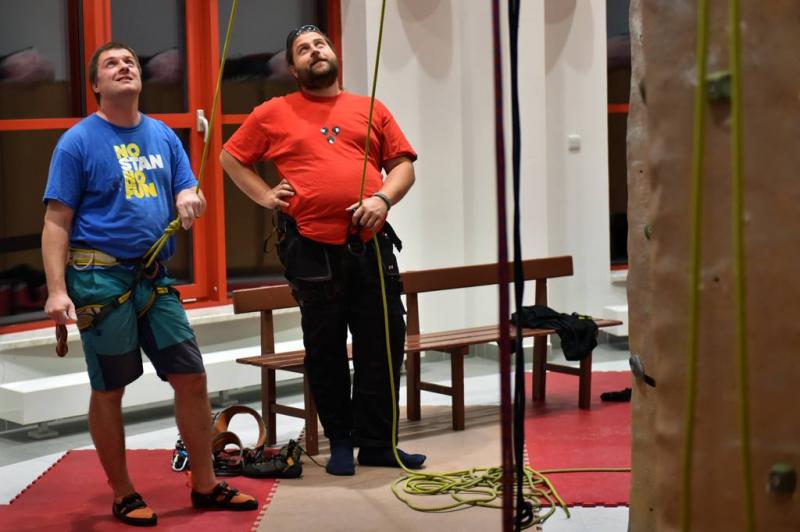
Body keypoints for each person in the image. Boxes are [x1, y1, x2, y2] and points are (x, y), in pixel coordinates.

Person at [41, 42, 257, 527]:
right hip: (99, 278)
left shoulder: (162, 135)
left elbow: (187, 190)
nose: (125, 66)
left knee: (191, 376)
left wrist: (189, 199)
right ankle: (123, 493)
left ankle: (205, 484)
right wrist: (57, 290)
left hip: (154, 278)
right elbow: (56, 220)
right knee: (110, 388)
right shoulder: (77, 142)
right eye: (112, 63)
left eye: (131, 62)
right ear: (96, 85)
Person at [220, 25, 425, 476]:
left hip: (370, 246)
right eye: (303, 49)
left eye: (320, 44)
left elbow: (403, 167)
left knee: (383, 344)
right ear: (293, 69)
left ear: (334, 55)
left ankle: (378, 444)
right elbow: (230, 157)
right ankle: (341, 442)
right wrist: (264, 195)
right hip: (311, 249)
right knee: (325, 348)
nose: (314, 51)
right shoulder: (274, 112)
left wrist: (382, 199)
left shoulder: (370, 108)